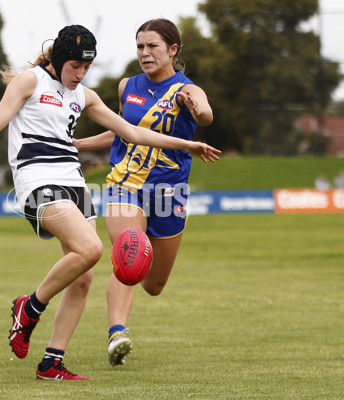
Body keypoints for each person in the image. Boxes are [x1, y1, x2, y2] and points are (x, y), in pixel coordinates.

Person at [0, 24, 221, 380]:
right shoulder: (30, 81)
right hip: (36, 180)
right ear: (61, 59)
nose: (81, 74)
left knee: (83, 277)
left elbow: (134, 132)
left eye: (87, 67)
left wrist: (189, 145)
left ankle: (51, 362)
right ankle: (28, 307)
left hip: (73, 182)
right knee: (91, 248)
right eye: (75, 66)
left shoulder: (84, 96)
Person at [74, 18, 216, 367]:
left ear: (172, 49)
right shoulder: (127, 86)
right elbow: (122, 132)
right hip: (125, 186)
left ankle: (120, 327)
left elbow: (207, 114)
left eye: (152, 46)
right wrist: (78, 144)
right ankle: (117, 335)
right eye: (140, 46)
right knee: (129, 254)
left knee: (153, 284)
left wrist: (199, 111)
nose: (144, 53)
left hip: (169, 194)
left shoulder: (187, 90)